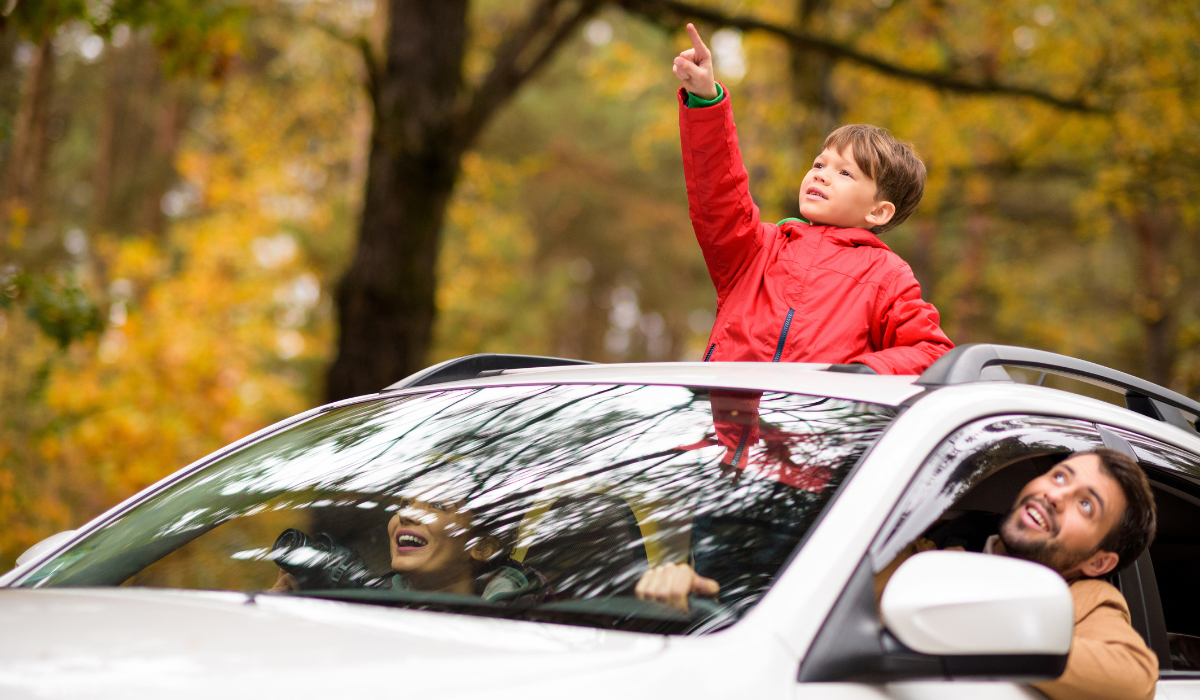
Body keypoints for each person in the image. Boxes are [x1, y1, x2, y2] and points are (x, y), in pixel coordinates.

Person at [638, 449, 1159, 700]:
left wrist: (979, 625)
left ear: (1098, 561)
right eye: (1061, 475)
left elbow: (1133, 676)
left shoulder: (1086, 599)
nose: (1056, 494)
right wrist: (696, 594)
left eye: (1085, 504)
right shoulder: (915, 545)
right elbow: (800, 595)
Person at [671, 24, 953, 374]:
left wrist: (866, 373)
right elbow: (717, 190)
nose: (820, 174)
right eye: (819, 164)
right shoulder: (757, 249)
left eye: (845, 173)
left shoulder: (887, 276)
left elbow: (932, 351)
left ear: (879, 212)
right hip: (728, 410)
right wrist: (705, 99)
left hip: (817, 412)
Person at [270, 495, 550, 605]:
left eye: (438, 506)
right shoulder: (369, 605)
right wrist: (283, 609)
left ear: (482, 547)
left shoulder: (527, 620)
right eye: (405, 504)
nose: (406, 515)